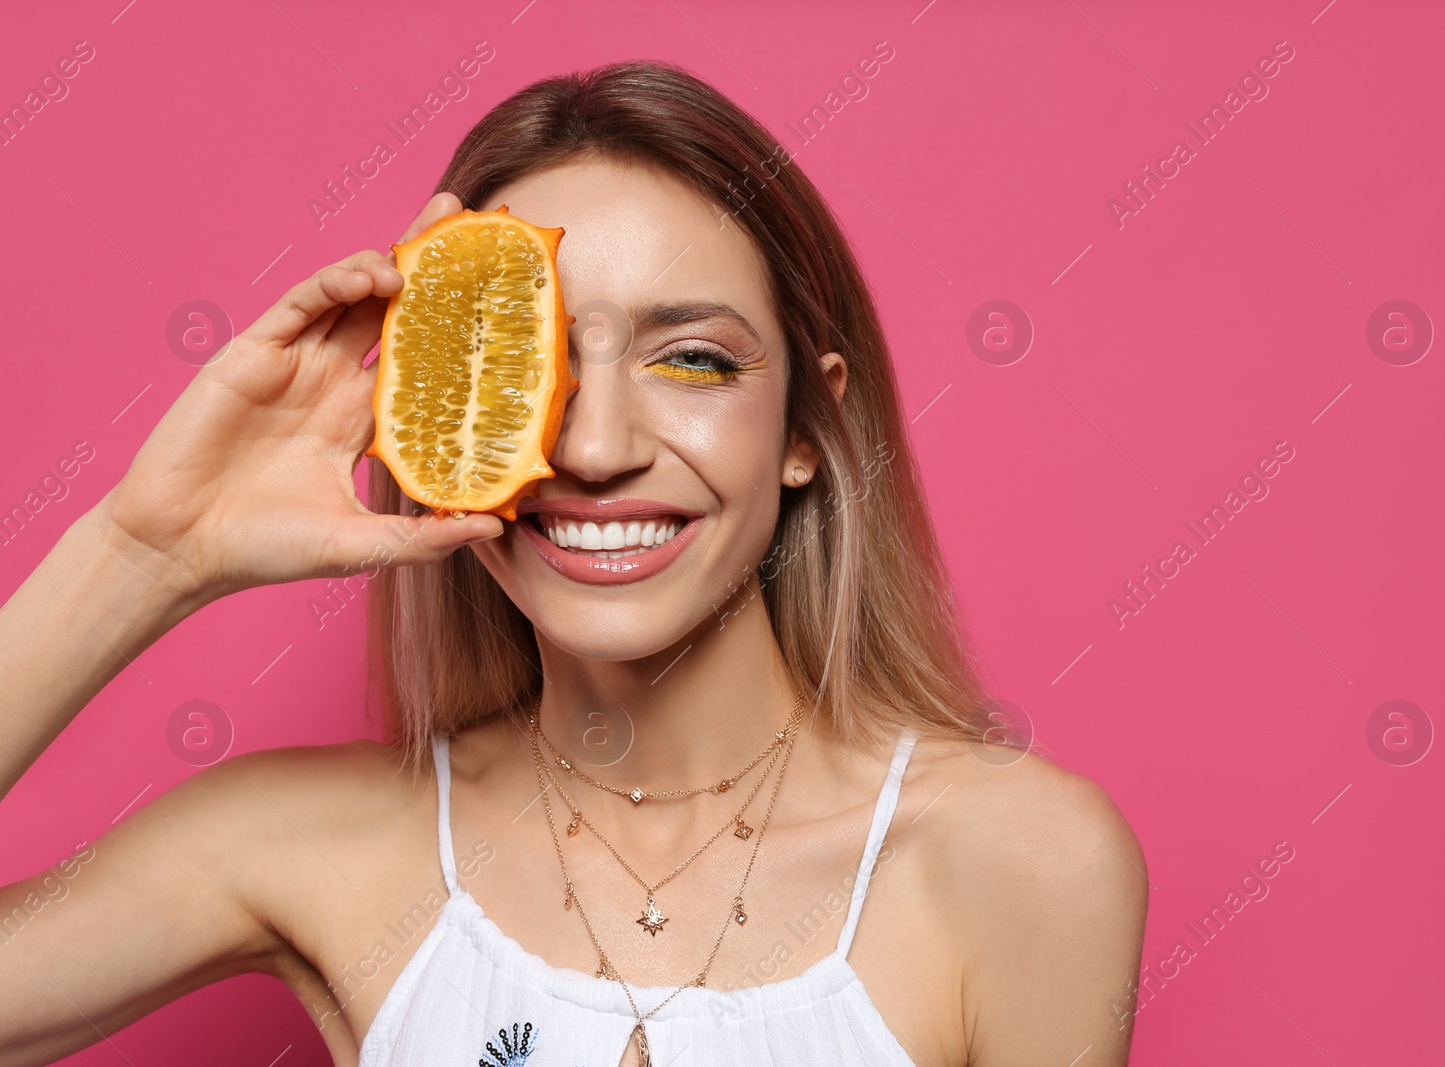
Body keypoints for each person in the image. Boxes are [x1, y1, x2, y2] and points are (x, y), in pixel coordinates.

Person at [0, 61, 1146, 1066]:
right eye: (521, 362)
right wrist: (143, 554)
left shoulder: (1018, 862)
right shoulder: (307, 842)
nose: (592, 448)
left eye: (692, 360)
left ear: (808, 427)